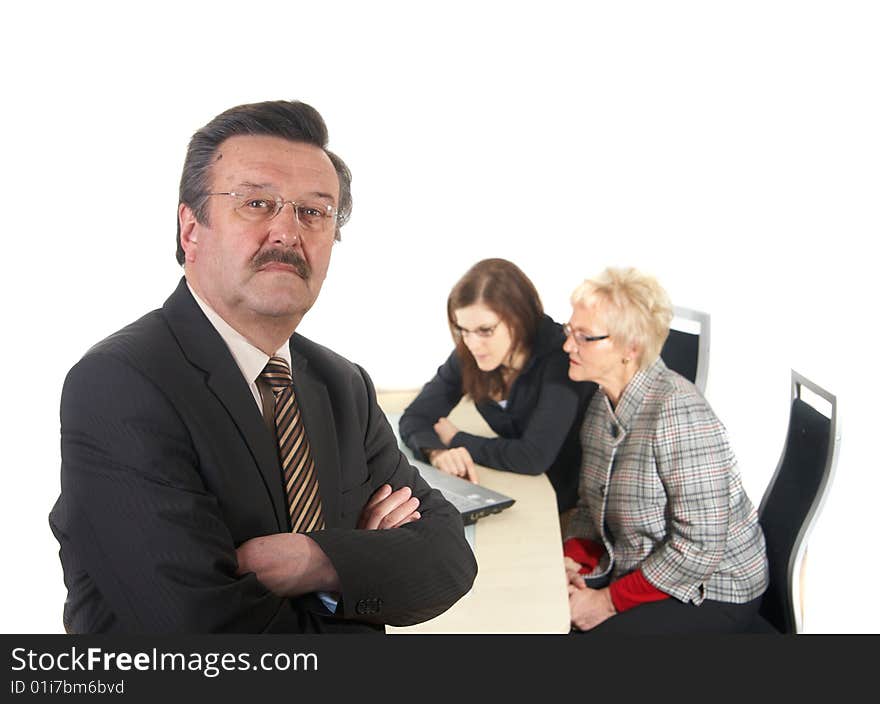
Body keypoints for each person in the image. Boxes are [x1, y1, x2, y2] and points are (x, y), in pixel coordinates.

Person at [48, 100, 477, 633]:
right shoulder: (121, 384)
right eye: (256, 203)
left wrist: (314, 561)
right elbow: (206, 635)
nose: (287, 232)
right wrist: (363, 568)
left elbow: (448, 557)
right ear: (190, 229)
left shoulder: (343, 385)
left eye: (314, 211)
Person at [561, 267, 768, 633]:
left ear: (631, 348)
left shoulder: (679, 414)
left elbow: (700, 547)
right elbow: (590, 508)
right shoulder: (600, 405)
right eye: (569, 331)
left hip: (712, 589)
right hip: (642, 570)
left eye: (585, 337)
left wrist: (606, 602)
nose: (567, 346)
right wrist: (573, 560)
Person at [399, 258, 596, 512]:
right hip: (515, 487)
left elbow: (533, 456)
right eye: (463, 330)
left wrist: (456, 438)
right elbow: (414, 417)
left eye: (485, 330)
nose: (472, 343)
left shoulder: (561, 356)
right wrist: (437, 452)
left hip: (568, 504)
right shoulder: (470, 353)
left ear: (519, 318)